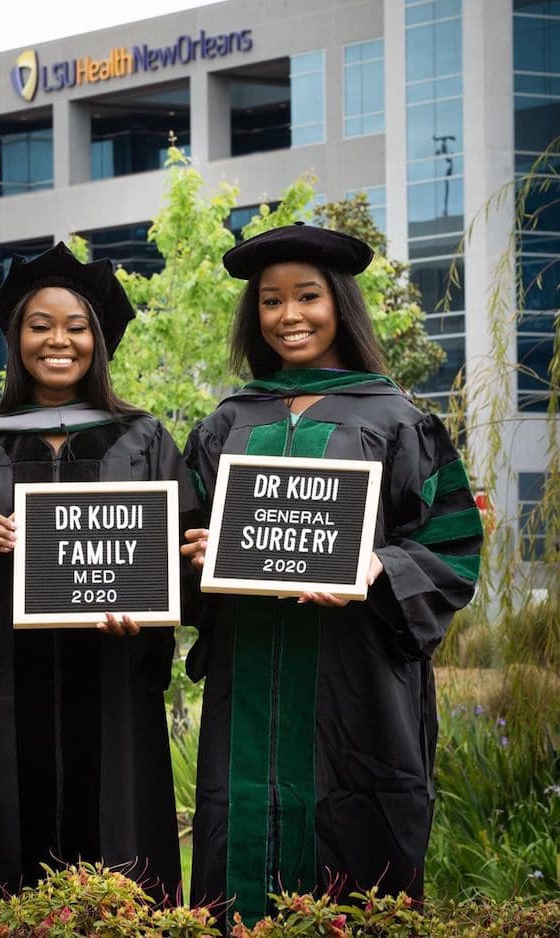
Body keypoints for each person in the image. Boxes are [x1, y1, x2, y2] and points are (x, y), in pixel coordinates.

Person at [180, 223, 483, 927]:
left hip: (360, 685)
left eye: (307, 297)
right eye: (270, 302)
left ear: (339, 304)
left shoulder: (399, 419)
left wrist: (381, 563)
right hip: (248, 675)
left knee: (360, 855)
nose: (289, 316)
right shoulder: (226, 423)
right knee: (239, 862)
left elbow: (453, 543)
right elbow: (183, 545)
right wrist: (192, 555)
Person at [0, 242, 200, 918]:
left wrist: (155, 599)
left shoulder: (145, 439)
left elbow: (184, 555)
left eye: (76, 326)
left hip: (112, 690)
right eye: (39, 325)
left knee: (117, 883)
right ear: (14, 340)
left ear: (99, 340)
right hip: (0, 694)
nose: (58, 340)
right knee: (3, 874)